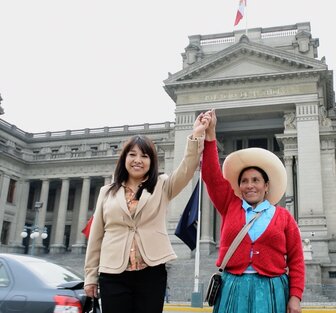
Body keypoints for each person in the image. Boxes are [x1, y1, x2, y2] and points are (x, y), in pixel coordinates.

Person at [83, 111, 211, 313]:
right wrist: (90, 276)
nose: (138, 160)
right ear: (124, 158)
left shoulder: (161, 185)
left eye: (144, 155)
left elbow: (186, 170)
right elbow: (96, 236)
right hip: (113, 273)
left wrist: (195, 136)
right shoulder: (106, 192)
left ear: (151, 161)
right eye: (132, 154)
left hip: (151, 272)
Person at [201, 109, 305, 313]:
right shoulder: (230, 205)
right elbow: (211, 175)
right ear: (238, 186)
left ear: (266, 185)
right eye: (244, 181)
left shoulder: (283, 217)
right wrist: (210, 136)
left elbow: (296, 259)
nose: (250, 186)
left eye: (256, 180)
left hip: (271, 289)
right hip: (233, 287)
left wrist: (295, 297)